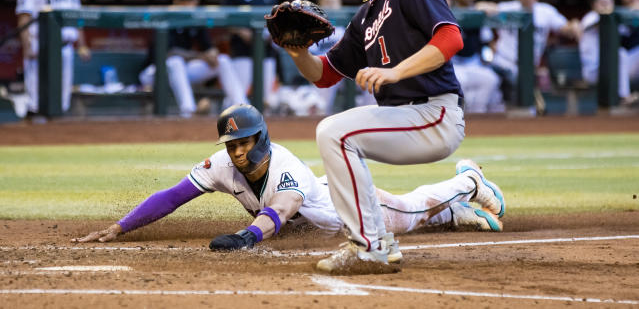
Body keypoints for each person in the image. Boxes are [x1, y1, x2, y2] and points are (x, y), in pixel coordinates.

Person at [279, 0, 474, 274]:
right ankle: (376, 239)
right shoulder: (365, 16)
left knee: (334, 132)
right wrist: (299, 53)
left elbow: (451, 37)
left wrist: (395, 71)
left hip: (436, 113)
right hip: (404, 116)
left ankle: (370, 246)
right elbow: (324, 76)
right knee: (336, 134)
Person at [71, 104, 505, 252]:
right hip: (322, 220)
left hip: (343, 208)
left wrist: (246, 238)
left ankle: (469, 182)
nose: (236, 152)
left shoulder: (285, 168)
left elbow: (279, 213)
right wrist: (120, 227)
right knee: (421, 217)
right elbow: (173, 196)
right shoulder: (223, 165)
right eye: (230, 145)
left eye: (242, 143)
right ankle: (458, 214)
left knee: (409, 213)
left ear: (259, 138)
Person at [138, 0, 247, 118]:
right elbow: (169, 54)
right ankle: (188, 111)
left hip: (181, 73)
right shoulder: (165, 17)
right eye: (183, 0)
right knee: (175, 62)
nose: (187, 4)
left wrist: (212, 54)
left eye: (190, 0)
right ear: (175, 0)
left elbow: (207, 47)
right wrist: (202, 56)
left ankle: (243, 109)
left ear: (196, 1)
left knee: (223, 60)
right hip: (154, 73)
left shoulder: (195, 19)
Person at [15, 0, 90, 115]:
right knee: (36, 95)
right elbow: (24, 17)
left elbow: (77, 18)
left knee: (63, 95)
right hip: (40, 45)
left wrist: (82, 44)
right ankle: (35, 131)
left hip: (66, 46)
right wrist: (27, 47)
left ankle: (57, 135)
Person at [487, 0, 581, 103]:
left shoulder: (546, 11)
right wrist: (490, 8)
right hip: (504, 64)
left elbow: (566, 28)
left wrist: (574, 25)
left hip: (528, 68)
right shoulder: (508, 8)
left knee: (529, 102)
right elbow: (481, 7)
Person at [221, 0, 279, 105]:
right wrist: (240, 31)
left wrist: (271, 34)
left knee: (266, 98)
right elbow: (225, 21)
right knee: (238, 97)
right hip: (242, 51)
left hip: (266, 52)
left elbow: (276, 21)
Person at [449, 0, 503, 113]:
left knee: (491, 79)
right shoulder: (447, 10)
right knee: (460, 82)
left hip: (473, 62)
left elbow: (488, 41)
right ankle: (460, 116)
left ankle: (478, 116)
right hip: (454, 64)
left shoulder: (480, 11)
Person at [579, 0, 638, 105]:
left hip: (614, 69)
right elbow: (601, 23)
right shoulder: (590, 17)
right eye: (601, 1)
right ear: (593, 4)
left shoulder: (616, 19)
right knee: (619, 54)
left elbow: (630, 34)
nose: (605, 4)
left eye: (608, 0)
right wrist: (631, 10)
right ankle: (623, 97)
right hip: (594, 71)